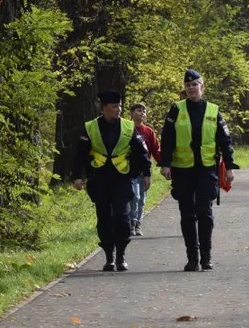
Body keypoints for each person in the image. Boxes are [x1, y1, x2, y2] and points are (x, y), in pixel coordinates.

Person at [160, 69, 238, 272]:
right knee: (187, 214)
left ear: (202, 87)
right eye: (188, 86)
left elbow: (225, 140)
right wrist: (165, 163)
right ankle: (192, 258)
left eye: (195, 85)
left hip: (206, 169)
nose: (191, 88)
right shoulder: (176, 109)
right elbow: (167, 138)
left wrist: (229, 166)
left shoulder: (213, 110)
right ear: (184, 89)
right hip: (183, 170)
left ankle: (206, 256)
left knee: (204, 211)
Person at [73, 90, 151, 272]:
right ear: (104, 108)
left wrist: (146, 173)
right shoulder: (90, 127)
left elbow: (141, 151)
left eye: (120, 106)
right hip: (99, 178)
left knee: (122, 217)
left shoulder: (128, 127)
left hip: (122, 178)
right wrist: (77, 176)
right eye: (115, 106)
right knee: (104, 218)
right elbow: (80, 154)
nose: (119, 109)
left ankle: (121, 256)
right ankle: (109, 256)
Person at [127, 102, 160, 236]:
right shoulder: (126, 129)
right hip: (129, 169)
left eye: (144, 111)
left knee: (142, 200)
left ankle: (138, 223)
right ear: (132, 113)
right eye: (139, 110)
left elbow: (156, 149)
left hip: (144, 170)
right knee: (134, 196)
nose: (142, 113)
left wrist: (165, 165)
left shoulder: (148, 131)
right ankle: (131, 222)